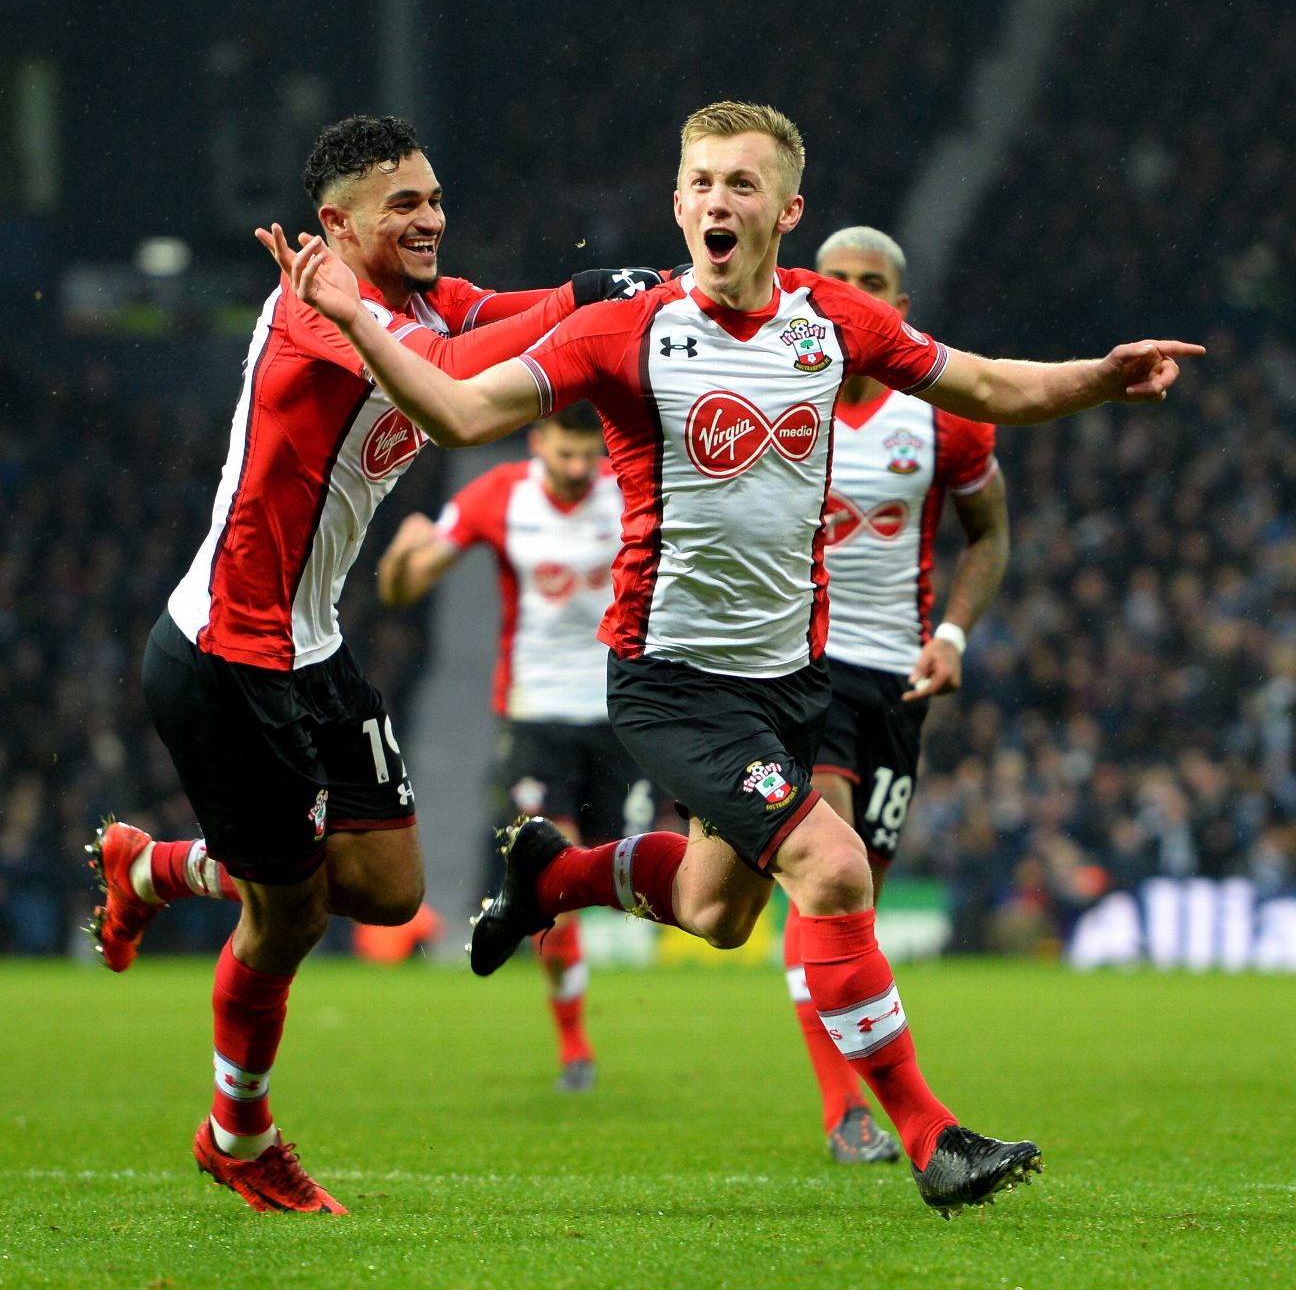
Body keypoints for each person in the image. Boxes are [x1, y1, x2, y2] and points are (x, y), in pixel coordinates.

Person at [260, 99, 1203, 1217]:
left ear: (786, 211)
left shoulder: (832, 321)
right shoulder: (627, 332)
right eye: (701, 181)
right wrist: (359, 324)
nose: (717, 200)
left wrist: (1103, 373)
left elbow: (989, 386)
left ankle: (552, 876)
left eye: (742, 184)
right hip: (671, 681)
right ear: (676, 202)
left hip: (788, 682)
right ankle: (928, 1136)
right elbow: (463, 412)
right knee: (836, 867)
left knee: (718, 911)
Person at [88, 113, 660, 1214]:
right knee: (291, 916)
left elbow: (503, 317)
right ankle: (237, 1132)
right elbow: (443, 381)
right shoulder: (317, 310)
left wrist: (598, 291)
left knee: (391, 892)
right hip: (226, 652)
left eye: (435, 199)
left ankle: (158, 868)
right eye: (404, 205)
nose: (433, 219)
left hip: (314, 645)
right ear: (335, 226)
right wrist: (589, 308)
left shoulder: (421, 297)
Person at [779, 225, 1010, 1165]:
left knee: (857, 898)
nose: (850, 295)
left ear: (898, 307)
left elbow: (988, 535)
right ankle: (849, 1115)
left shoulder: (943, 412)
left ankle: (598, 871)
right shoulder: (770, 395)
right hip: (802, 667)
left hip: (900, 678)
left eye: (869, 284)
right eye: (832, 281)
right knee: (825, 876)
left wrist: (952, 637)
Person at [376, 401, 659, 1092]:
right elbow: (402, 588)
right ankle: (574, 1048)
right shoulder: (500, 496)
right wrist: (403, 548)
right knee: (553, 876)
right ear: (538, 443)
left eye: (587, 457)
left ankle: (562, 973)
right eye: (563, 454)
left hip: (620, 714)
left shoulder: (630, 489)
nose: (574, 469)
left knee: (615, 878)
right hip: (536, 719)